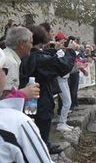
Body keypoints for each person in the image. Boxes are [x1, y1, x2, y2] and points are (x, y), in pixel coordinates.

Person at [19, 25, 76, 154]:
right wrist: (71, 52)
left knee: (35, 121)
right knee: (42, 121)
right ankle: (43, 148)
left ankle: (45, 144)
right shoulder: (38, 59)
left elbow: (44, 56)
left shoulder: (30, 56)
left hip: (31, 98)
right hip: (40, 97)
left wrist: (53, 50)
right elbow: (62, 66)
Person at [3, 26, 39, 99]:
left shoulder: (3, 55)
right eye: (31, 43)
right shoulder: (12, 63)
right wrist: (25, 93)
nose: (31, 46)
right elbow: (7, 97)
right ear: (22, 44)